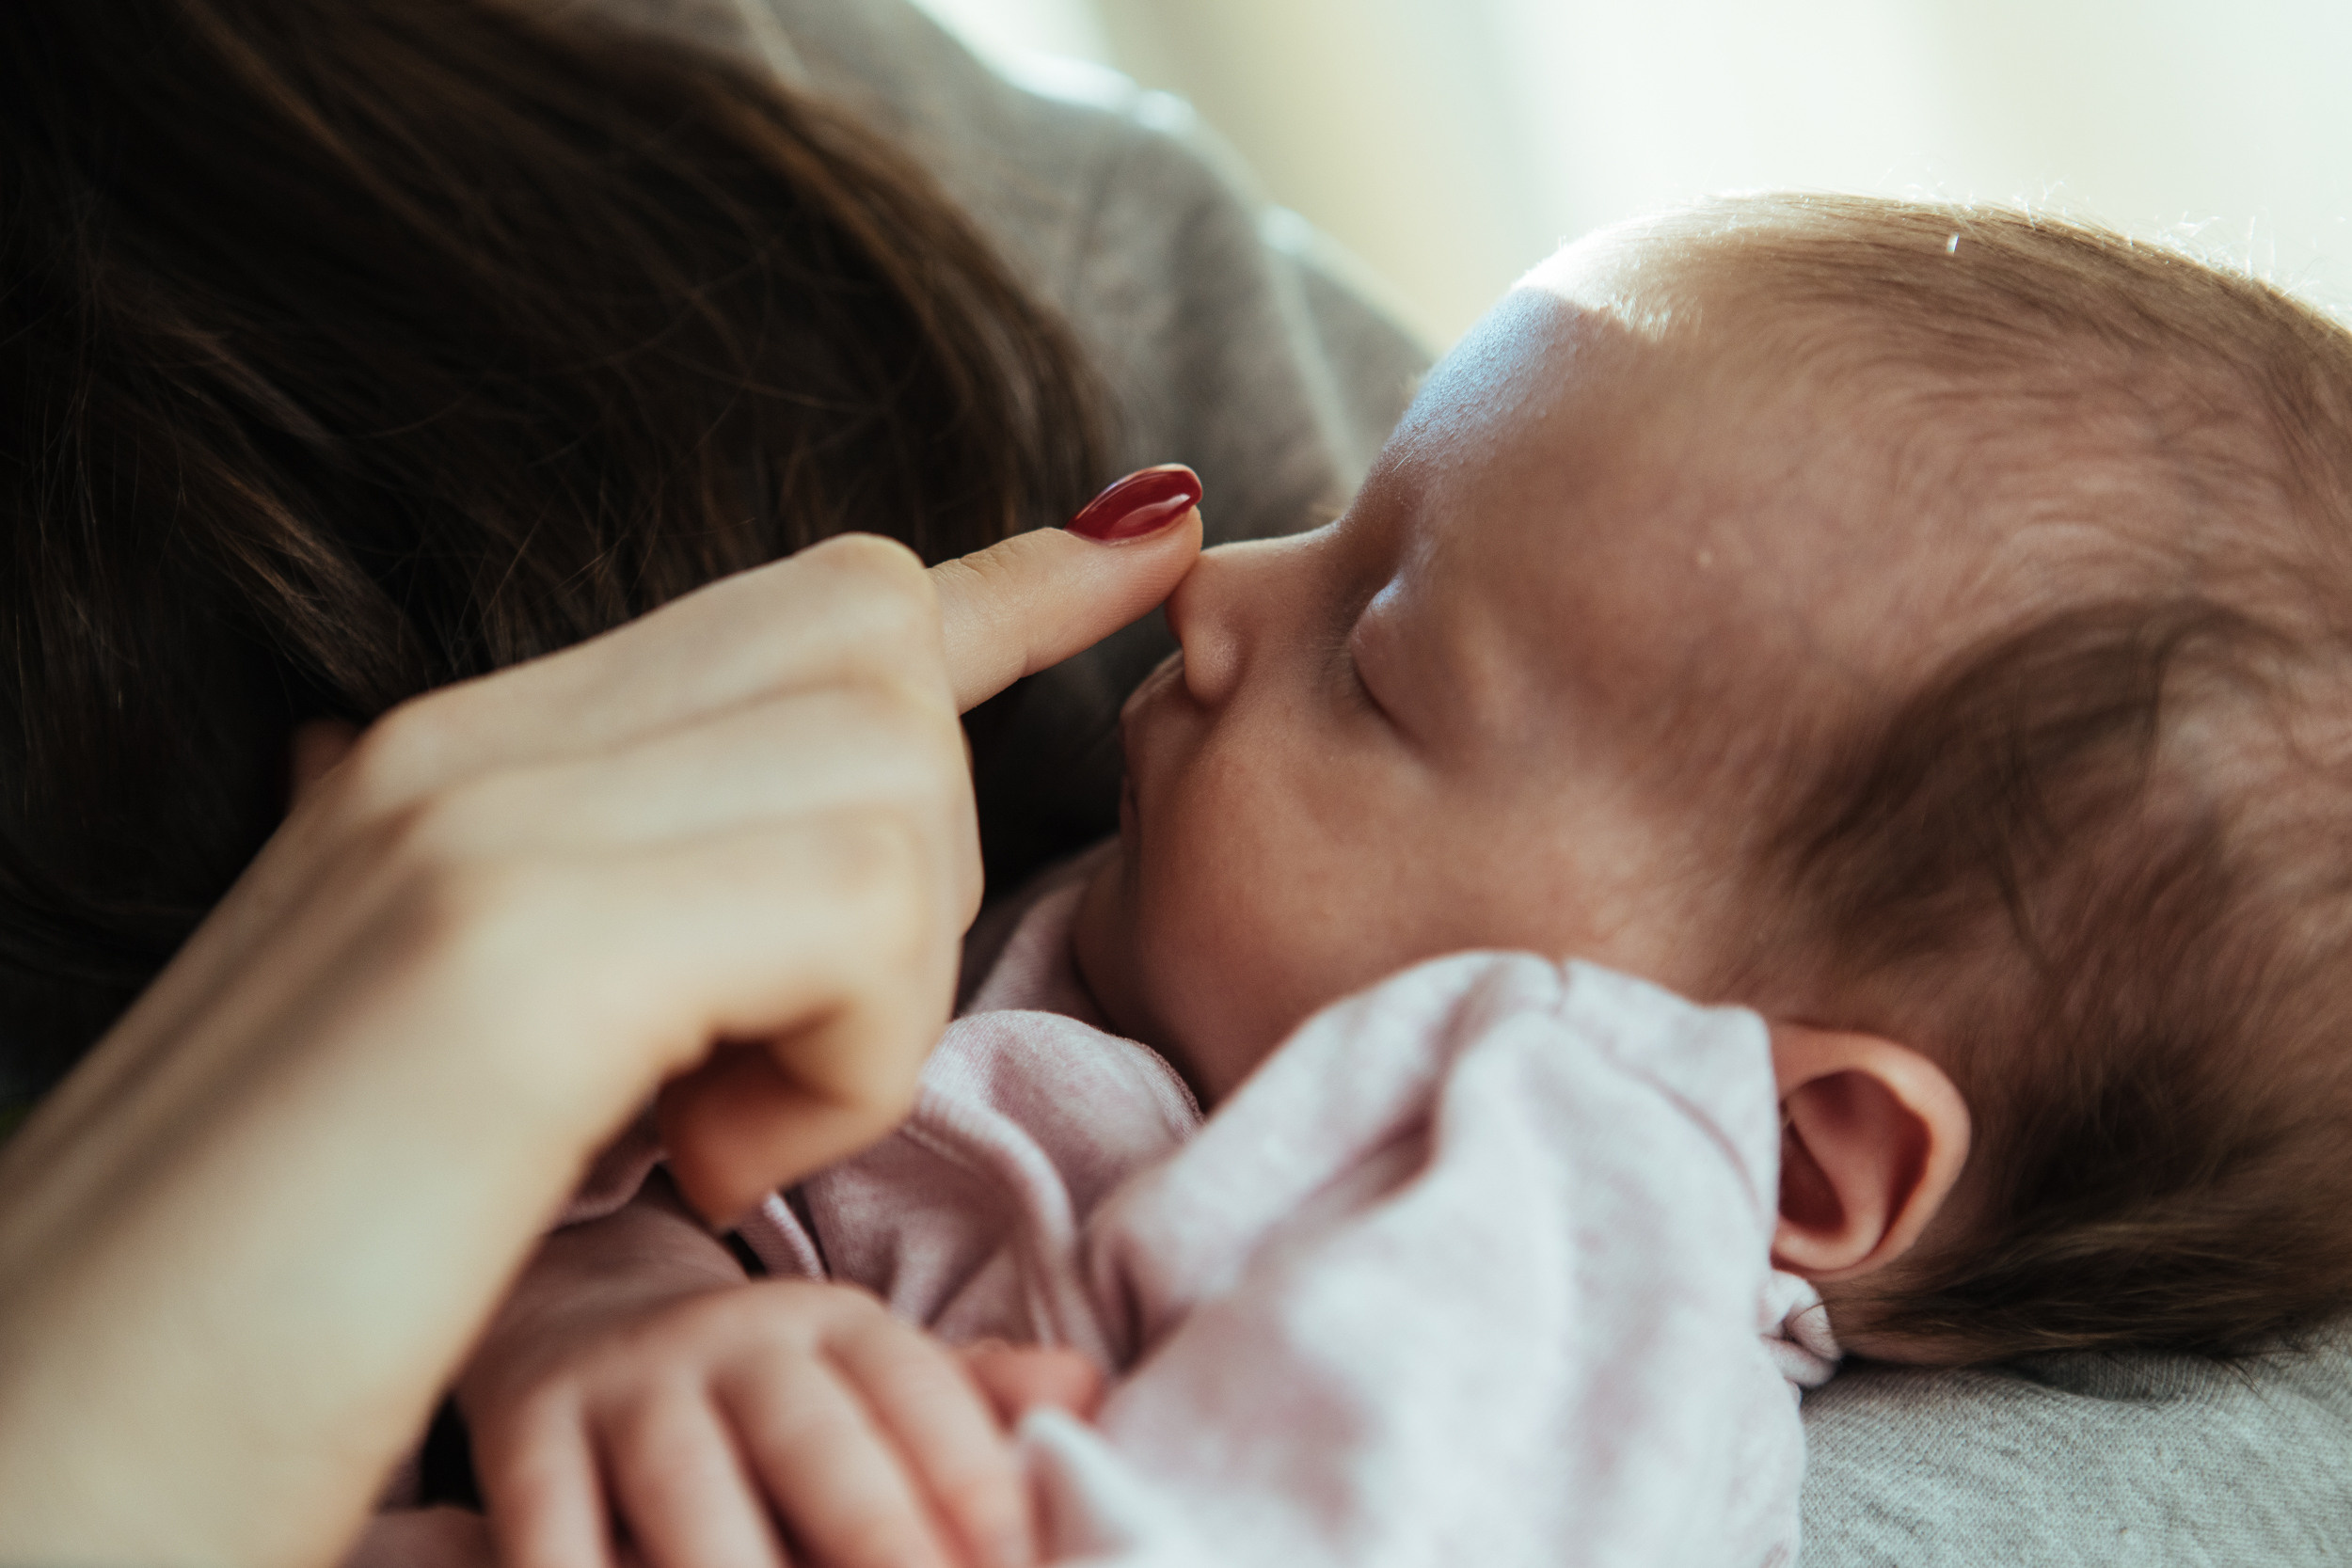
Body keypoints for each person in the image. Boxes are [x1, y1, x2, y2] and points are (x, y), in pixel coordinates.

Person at [447, 193, 2352, 1568]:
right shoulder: (1162, 982)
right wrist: (607, 1310)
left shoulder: (1557, 1253)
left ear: (1778, 1150)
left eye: (1379, 655)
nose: (1211, 589)